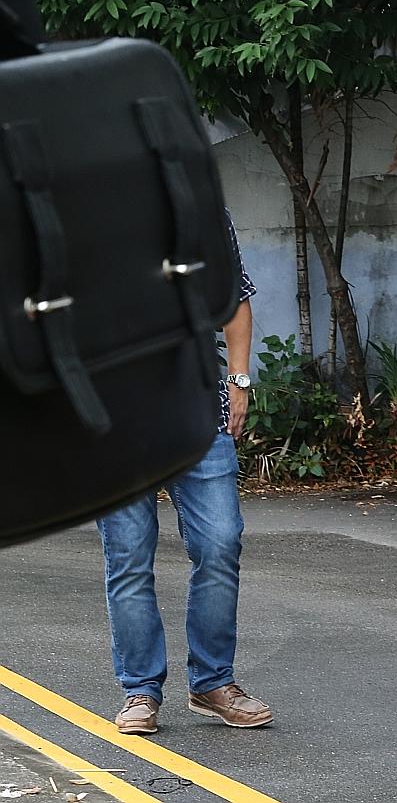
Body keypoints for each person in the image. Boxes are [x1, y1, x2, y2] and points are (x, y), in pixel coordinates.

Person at [97, 212, 270, 735]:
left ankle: (213, 682)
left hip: (196, 412)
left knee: (220, 543)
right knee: (129, 559)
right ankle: (140, 690)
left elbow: (233, 297)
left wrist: (238, 378)